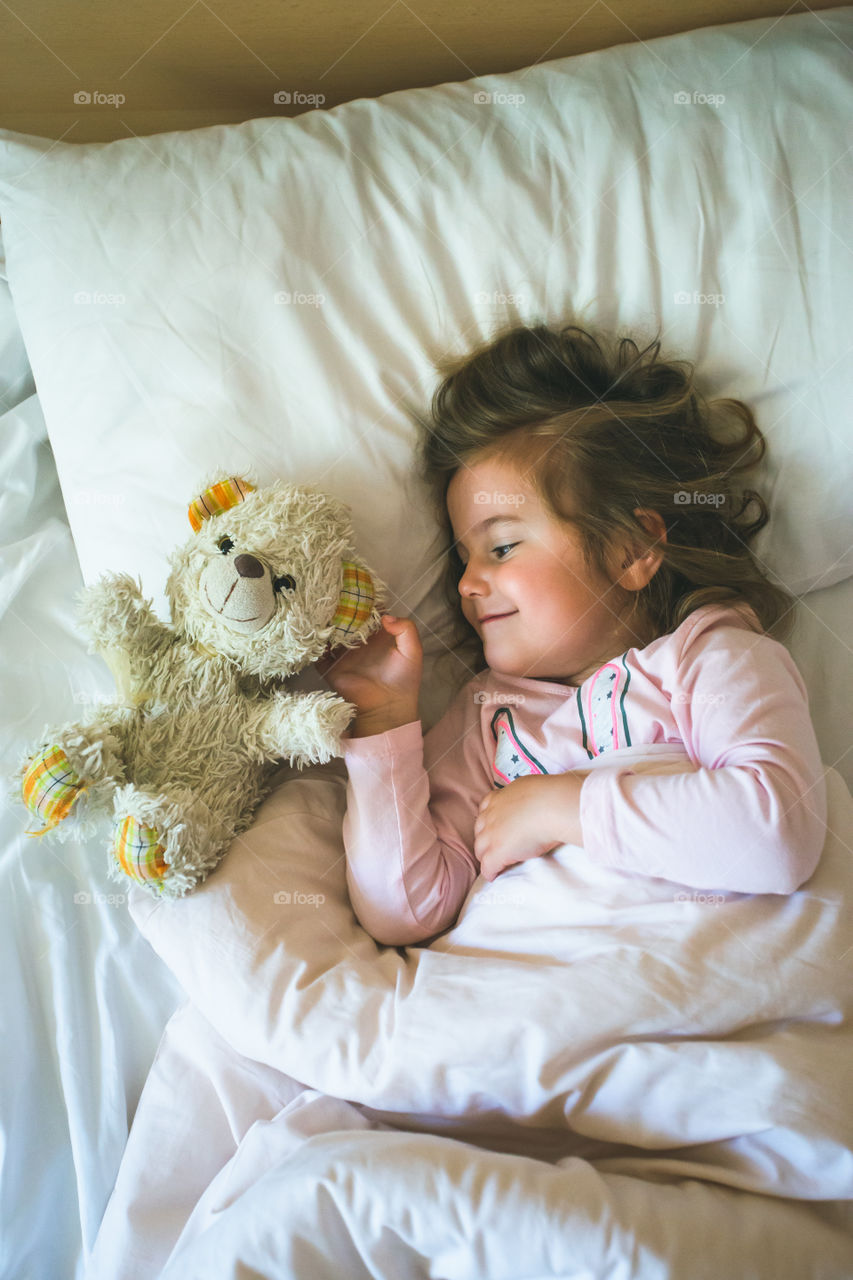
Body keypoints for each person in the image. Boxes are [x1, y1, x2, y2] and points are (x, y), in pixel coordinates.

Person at [317, 322, 827, 947]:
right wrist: (383, 729)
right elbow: (407, 912)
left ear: (630, 547)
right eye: (462, 560)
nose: (468, 585)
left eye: (502, 546)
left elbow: (778, 834)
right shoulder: (488, 716)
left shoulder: (710, 657)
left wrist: (562, 808)